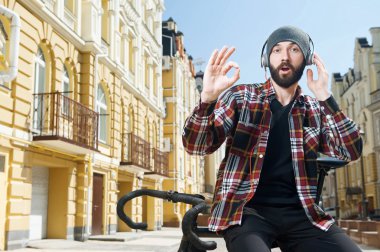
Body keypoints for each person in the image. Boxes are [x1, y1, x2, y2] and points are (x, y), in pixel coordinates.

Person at [182, 26, 363, 252]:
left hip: (302, 213)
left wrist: (325, 96)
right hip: (246, 213)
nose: (284, 57)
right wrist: (207, 99)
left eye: (294, 49)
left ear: (306, 59)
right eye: (277, 50)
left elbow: (351, 150)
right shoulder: (242, 97)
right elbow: (195, 145)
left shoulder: (314, 109)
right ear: (266, 59)